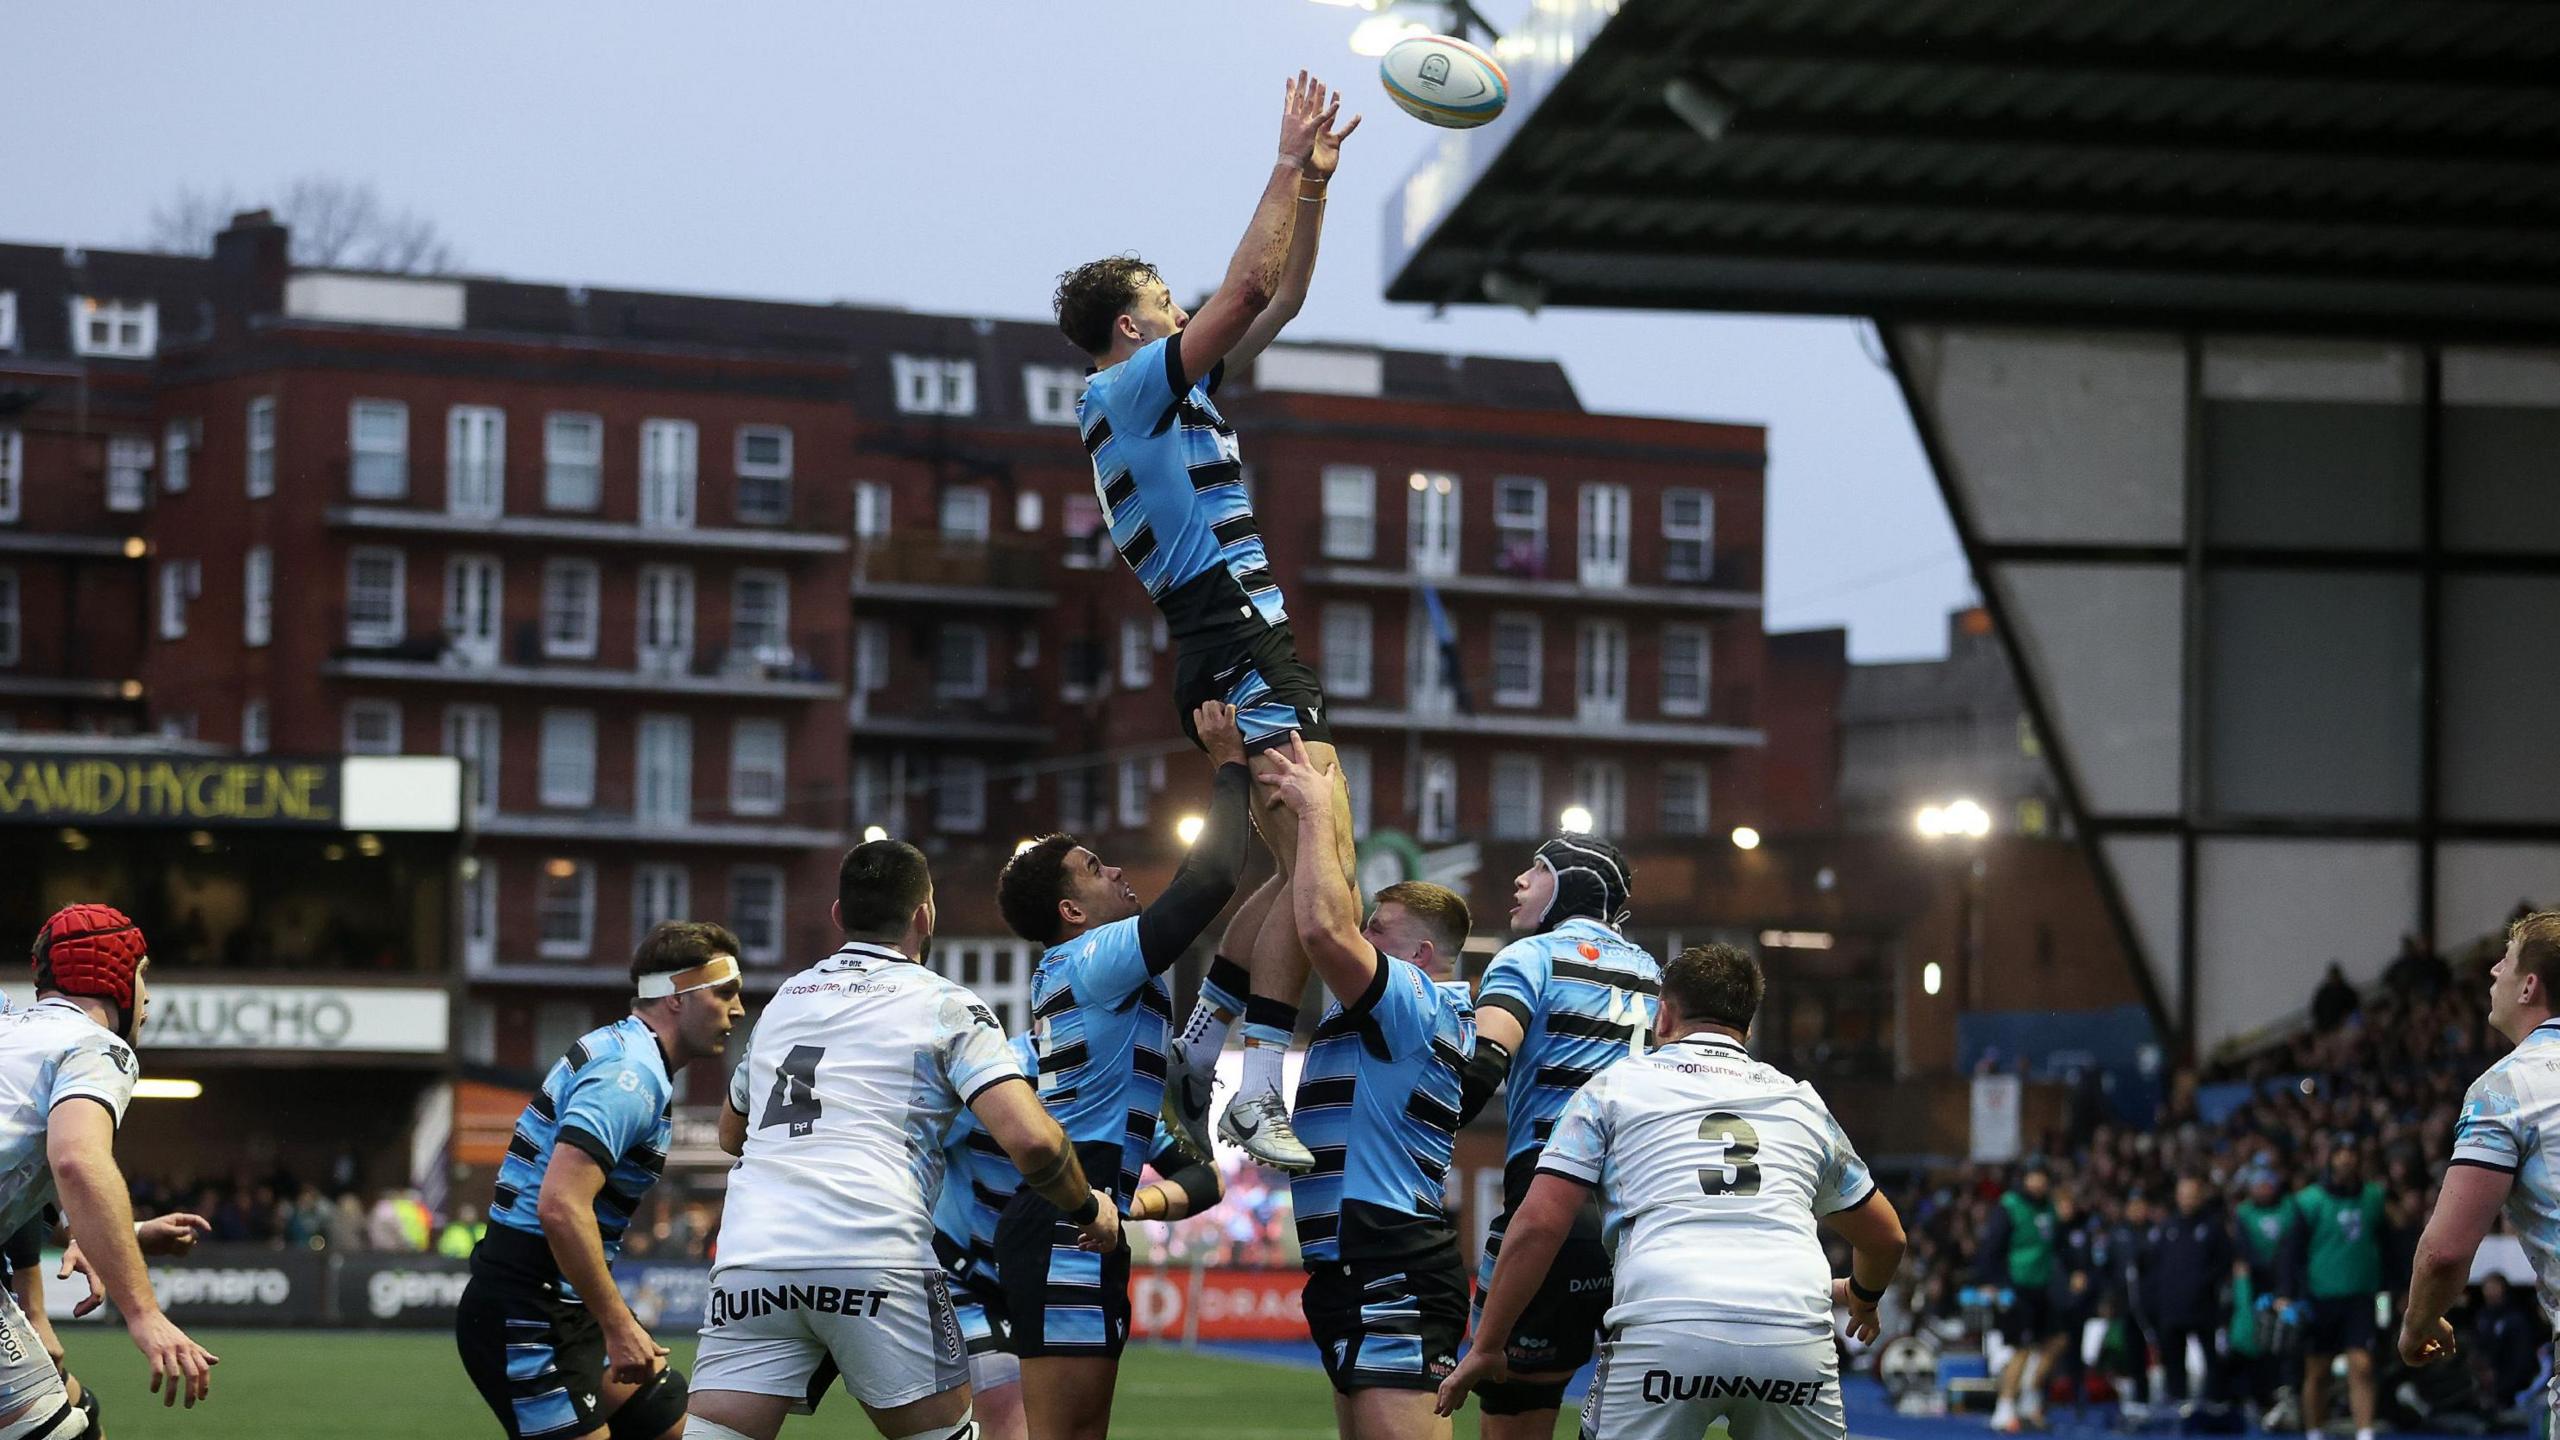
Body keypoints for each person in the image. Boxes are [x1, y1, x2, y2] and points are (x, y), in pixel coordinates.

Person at [1053, 71, 1362, 1172]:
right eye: (1166, 298)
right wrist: (1282, 161)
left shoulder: (1157, 396)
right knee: (1329, 872)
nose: (1186, 308)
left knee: (1305, 872)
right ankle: (1252, 1083)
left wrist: (1314, 194)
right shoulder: (1128, 387)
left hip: (1229, 636)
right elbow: (1246, 285)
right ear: (1133, 326)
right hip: (1236, 635)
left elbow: (1278, 304)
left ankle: (1205, 1045)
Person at [685, 840, 1119, 1440]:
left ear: (839, 916)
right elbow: (1036, 1143)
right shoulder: (946, 1005)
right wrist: (1089, 1206)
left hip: (751, 1259)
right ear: (925, 916)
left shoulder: (785, 1001)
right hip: (875, 1256)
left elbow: (732, 1133)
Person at [1437, 943, 1909, 1440]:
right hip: (1793, 1336)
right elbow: (1887, 1239)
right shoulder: (1802, 1103)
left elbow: (1538, 1225)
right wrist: (1863, 1296)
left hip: (1665, 1330)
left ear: (1662, 1015)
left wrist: (1488, 1346)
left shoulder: (1612, 1088)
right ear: (1747, 1025)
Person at [992, 701, 1253, 1440]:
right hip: (1063, 1222)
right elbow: (1204, 886)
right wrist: (1229, 766)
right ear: (1073, 909)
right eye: (1093, 868)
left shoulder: (1088, 970)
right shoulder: (1093, 958)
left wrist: (1296, 841)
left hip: (1087, 1213)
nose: (1114, 869)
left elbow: (1232, 929)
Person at [455, 921, 746, 1440]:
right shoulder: (628, 1075)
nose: (738, 1009)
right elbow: (561, 1206)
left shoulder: (632, 1057)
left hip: (561, 1302)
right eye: (724, 993)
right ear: (675, 996)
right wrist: (618, 1324)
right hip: (530, 1313)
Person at [1261, 735, 1476, 1439]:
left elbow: (1324, 927)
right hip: (1355, 1263)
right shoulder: (1393, 1003)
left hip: (1391, 1264)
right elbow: (1329, 897)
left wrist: (1320, 809)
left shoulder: (1415, 999)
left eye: (1377, 934)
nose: (1362, 942)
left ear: (1419, 956)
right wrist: (1307, 796)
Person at [1462, 834, 1663, 1440]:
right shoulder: (1652, 973)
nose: (1520, 881)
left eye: (1538, 868)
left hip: (1549, 1212)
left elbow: (1485, 1063)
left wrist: (1418, 1130)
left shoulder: (1530, 956)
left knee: (1514, 1412)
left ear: (1575, 885)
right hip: (1639, 1219)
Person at [928, 1036, 1221, 1440]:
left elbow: (1205, 1178)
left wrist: (1121, 1208)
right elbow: (917, 1144)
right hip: (968, 1277)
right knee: (1012, 1421)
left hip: (1047, 1285)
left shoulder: (1112, 1091)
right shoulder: (991, 1068)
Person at [0, 904, 221, 1433]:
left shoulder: (10, 1031)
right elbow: (76, 1161)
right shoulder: (97, 1048)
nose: (147, 998)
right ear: (116, 977)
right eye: (144, 974)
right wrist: (144, 1315)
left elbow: (25, 1186)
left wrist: (131, 1233)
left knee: (73, 1413)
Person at [2401, 911, 2560, 1427]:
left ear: (2528, 986)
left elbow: (2446, 1251)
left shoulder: (2505, 1091)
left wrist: (2417, 1323)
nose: (2494, 971)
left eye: (2506, 962)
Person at [2288, 1139, 2386, 1440]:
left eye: (2351, 1153)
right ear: (2329, 1160)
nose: (2345, 1160)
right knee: (2318, 1371)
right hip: (2320, 1297)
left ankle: (2365, 1432)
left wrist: (2396, 1288)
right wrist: (2290, 1295)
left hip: (2361, 1294)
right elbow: (2292, 1254)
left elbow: (2388, 1245)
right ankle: (2315, 1432)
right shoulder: (2309, 1201)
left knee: (2362, 1365)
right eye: (2339, 1154)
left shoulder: (2374, 1197)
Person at [1978, 1161, 2068, 1433]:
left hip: (2042, 1287)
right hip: (2016, 1287)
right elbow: (1991, 1246)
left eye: (2042, 1177)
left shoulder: (2049, 1207)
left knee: (2057, 1340)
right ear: (2025, 1179)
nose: (2038, 1183)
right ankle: (2003, 1410)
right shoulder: (2010, 1206)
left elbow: (2058, 1242)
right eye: (2033, 1177)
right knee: (2021, 1347)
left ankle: (2030, 1396)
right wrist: (1991, 1282)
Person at [2141, 1174, 2234, 1420]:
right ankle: (2178, 1402)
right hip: (2172, 1306)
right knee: (2173, 1356)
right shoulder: (2168, 1227)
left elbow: (2225, 1262)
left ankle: (2215, 1403)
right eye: (2183, 1195)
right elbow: (2156, 1265)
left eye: (2192, 1195)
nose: (2187, 1200)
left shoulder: (2212, 1226)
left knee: (2210, 1355)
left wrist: (2206, 1284)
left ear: (2200, 1196)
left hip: (2204, 1306)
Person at [2230, 1162, 2300, 1426]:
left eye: (2267, 1184)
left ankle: (2287, 1396)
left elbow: (2291, 1247)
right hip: (2258, 1286)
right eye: (2258, 1185)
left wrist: (2286, 1288)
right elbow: (2244, 1251)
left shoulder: (2289, 1208)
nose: (2263, 1189)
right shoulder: (2244, 1213)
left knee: (2286, 1340)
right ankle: (2261, 1398)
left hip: (2287, 1283)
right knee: (2258, 1341)